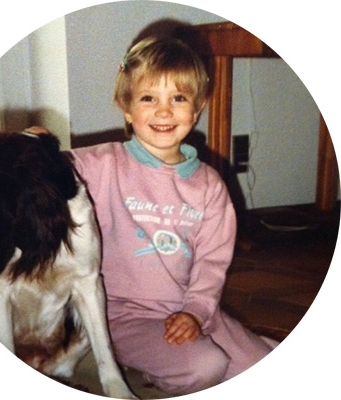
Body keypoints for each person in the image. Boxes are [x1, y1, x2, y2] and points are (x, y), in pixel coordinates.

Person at [28, 36, 278, 396]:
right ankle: (150, 369)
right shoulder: (102, 164)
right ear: (125, 106)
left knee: (260, 367)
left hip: (193, 307)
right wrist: (36, 143)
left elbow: (212, 263)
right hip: (122, 316)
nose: (164, 112)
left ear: (199, 107)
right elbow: (50, 164)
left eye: (178, 98)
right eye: (149, 98)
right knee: (208, 367)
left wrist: (195, 312)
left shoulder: (209, 185)